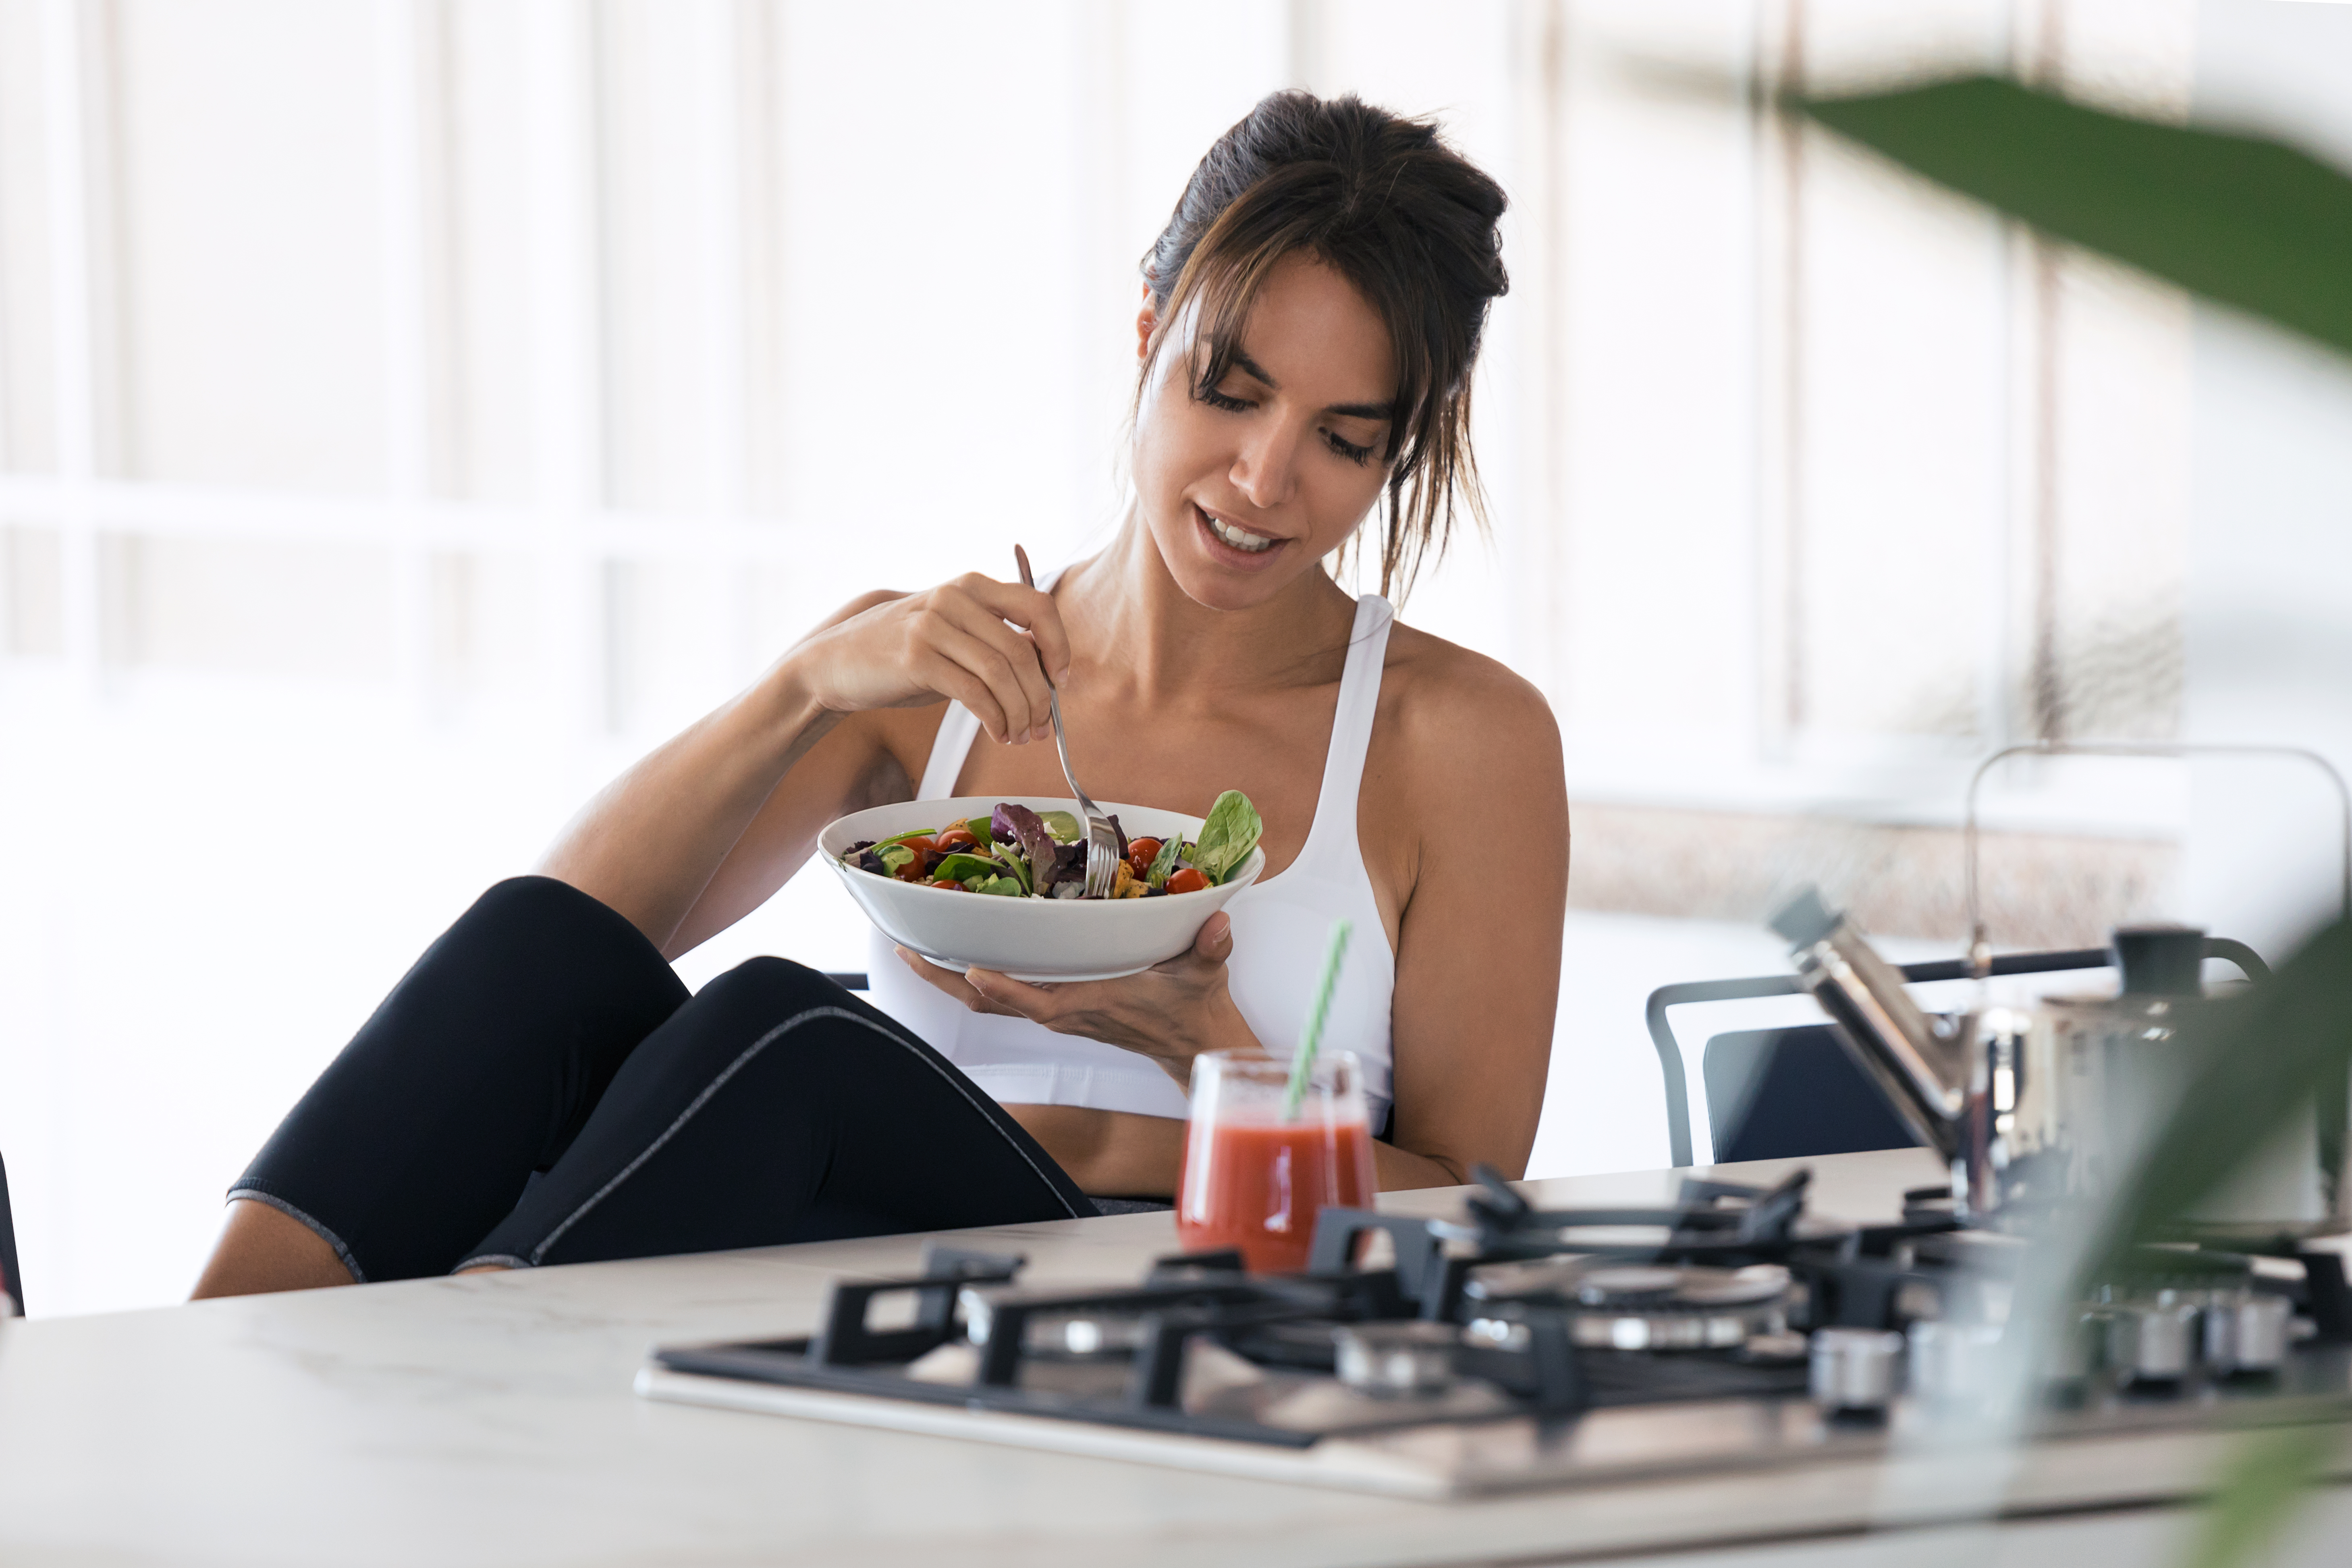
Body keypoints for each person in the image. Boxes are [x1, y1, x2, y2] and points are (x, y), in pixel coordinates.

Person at [191, 90, 1569, 1298]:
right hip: (867, 1256)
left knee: (788, 1032)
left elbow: (1468, 1192)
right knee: (535, 951)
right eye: (1230, 391)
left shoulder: (1457, 739)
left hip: (1177, 1269)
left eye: (1342, 438)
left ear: (1404, 448)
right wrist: (805, 685)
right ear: (1148, 333)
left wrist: (1212, 1055)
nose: (1267, 481)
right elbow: (561, 951)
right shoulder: (930, 675)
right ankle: (213, 1365)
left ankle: (472, 1376)